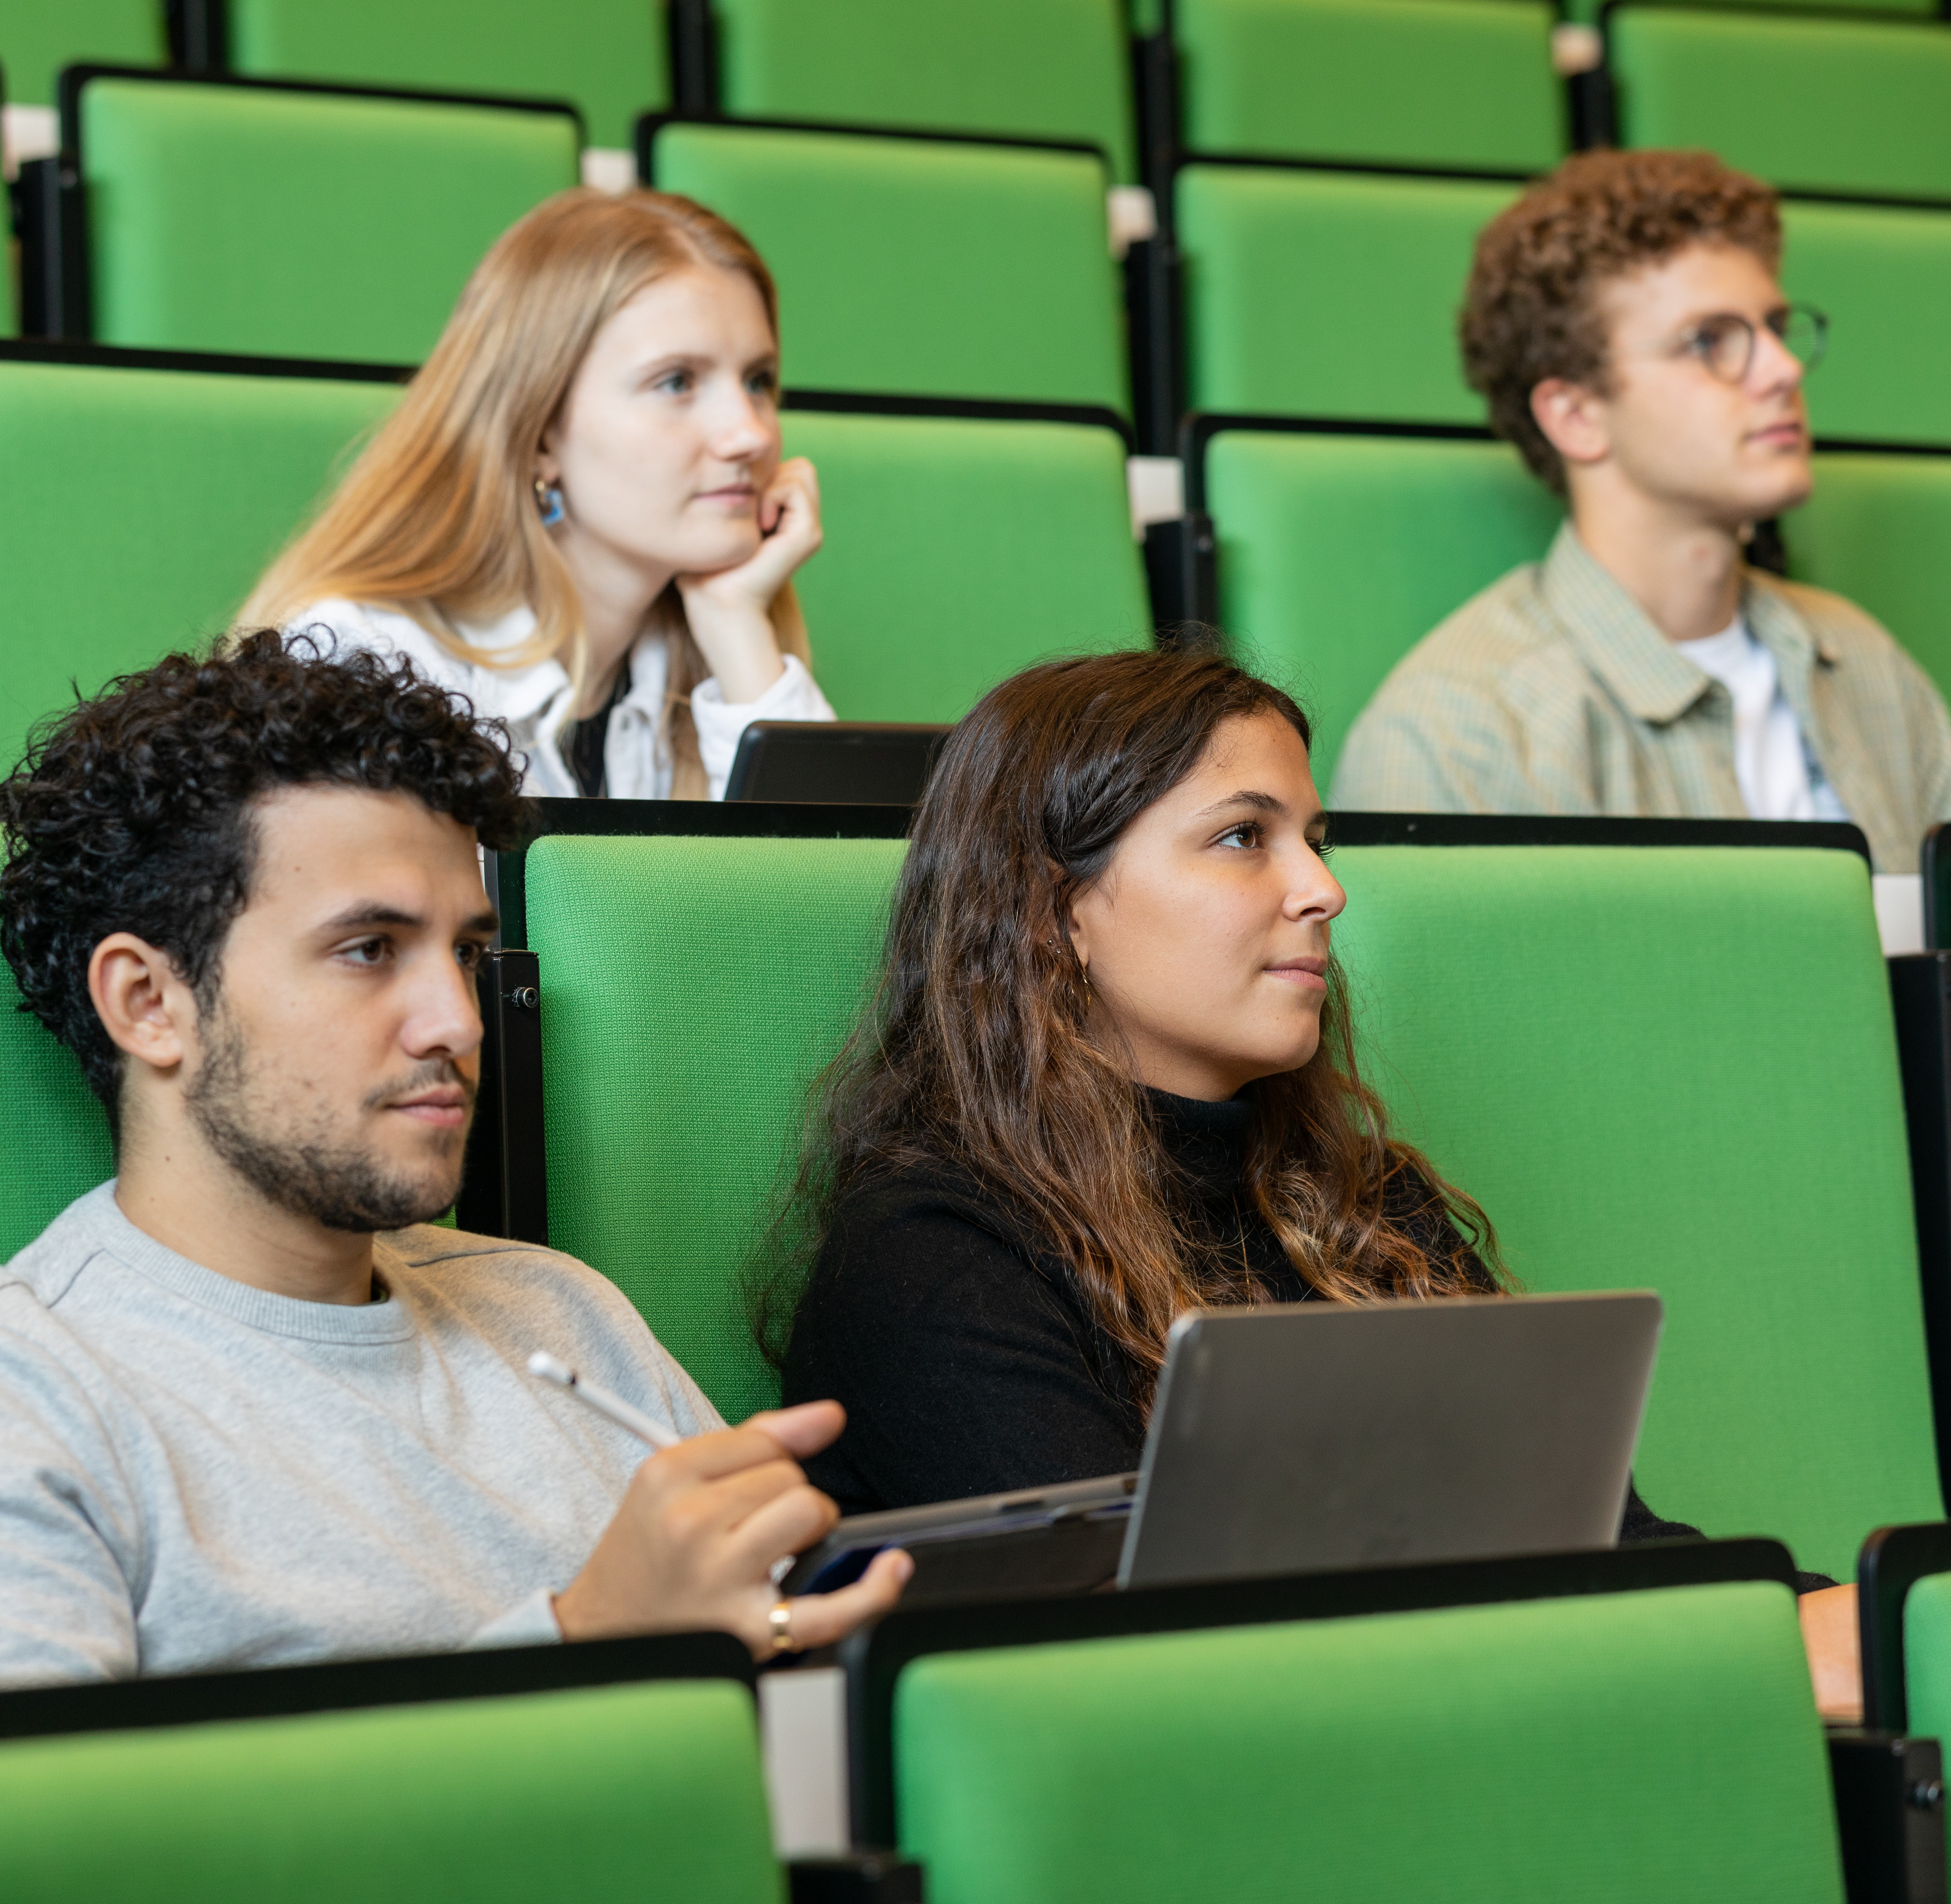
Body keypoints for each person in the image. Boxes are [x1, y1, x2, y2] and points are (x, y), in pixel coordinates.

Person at [0, 638, 906, 1701]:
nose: (457, 1022)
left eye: (464, 953)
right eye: (368, 951)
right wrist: (579, 1646)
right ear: (150, 1003)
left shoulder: (562, 1317)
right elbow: (33, 1869)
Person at [775, 650, 1862, 1719]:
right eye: (1244, 837)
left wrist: (1820, 1621)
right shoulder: (932, 1258)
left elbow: (1600, 1547)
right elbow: (1153, 1676)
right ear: (1054, 911)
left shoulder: (1361, 1202)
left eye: (1316, 839)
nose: (1324, 889)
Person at [1332, 149, 1951, 870]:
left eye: (1775, 327)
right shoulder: (1455, 730)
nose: (1783, 369)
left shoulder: (1866, 662)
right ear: (1577, 415)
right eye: (1710, 342)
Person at [229, 187, 832, 802]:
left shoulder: (699, 656)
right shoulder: (367, 662)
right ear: (540, 433)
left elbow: (836, 892)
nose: (751, 434)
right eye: (676, 382)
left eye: (758, 381)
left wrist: (736, 622)